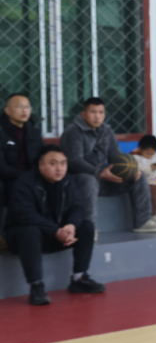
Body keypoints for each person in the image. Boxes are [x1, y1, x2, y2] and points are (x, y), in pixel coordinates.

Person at [5, 145, 104, 305]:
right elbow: (25, 215)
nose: (59, 168)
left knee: (86, 226)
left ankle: (79, 278)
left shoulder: (68, 181)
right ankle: (36, 285)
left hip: (56, 235)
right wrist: (55, 230)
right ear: (40, 164)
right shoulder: (24, 183)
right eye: (53, 163)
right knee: (29, 231)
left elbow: (77, 208)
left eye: (63, 163)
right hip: (26, 240)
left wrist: (70, 226)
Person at [62, 97, 156, 234]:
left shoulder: (106, 131)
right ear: (83, 114)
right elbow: (74, 161)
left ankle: (143, 222)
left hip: (105, 178)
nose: (97, 116)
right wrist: (98, 172)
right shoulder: (73, 131)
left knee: (140, 177)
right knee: (89, 180)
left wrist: (132, 169)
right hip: (79, 180)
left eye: (101, 112)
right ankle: (88, 228)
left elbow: (116, 155)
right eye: (93, 112)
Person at [0, 94, 43, 240]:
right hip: (8, 178)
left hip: (31, 177)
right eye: (19, 107)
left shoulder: (34, 132)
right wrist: (25, 177)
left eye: (27, 107)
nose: (24, 111)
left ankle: (53, 228)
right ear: (7, 110)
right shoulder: (2, 132)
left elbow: (43, 157)